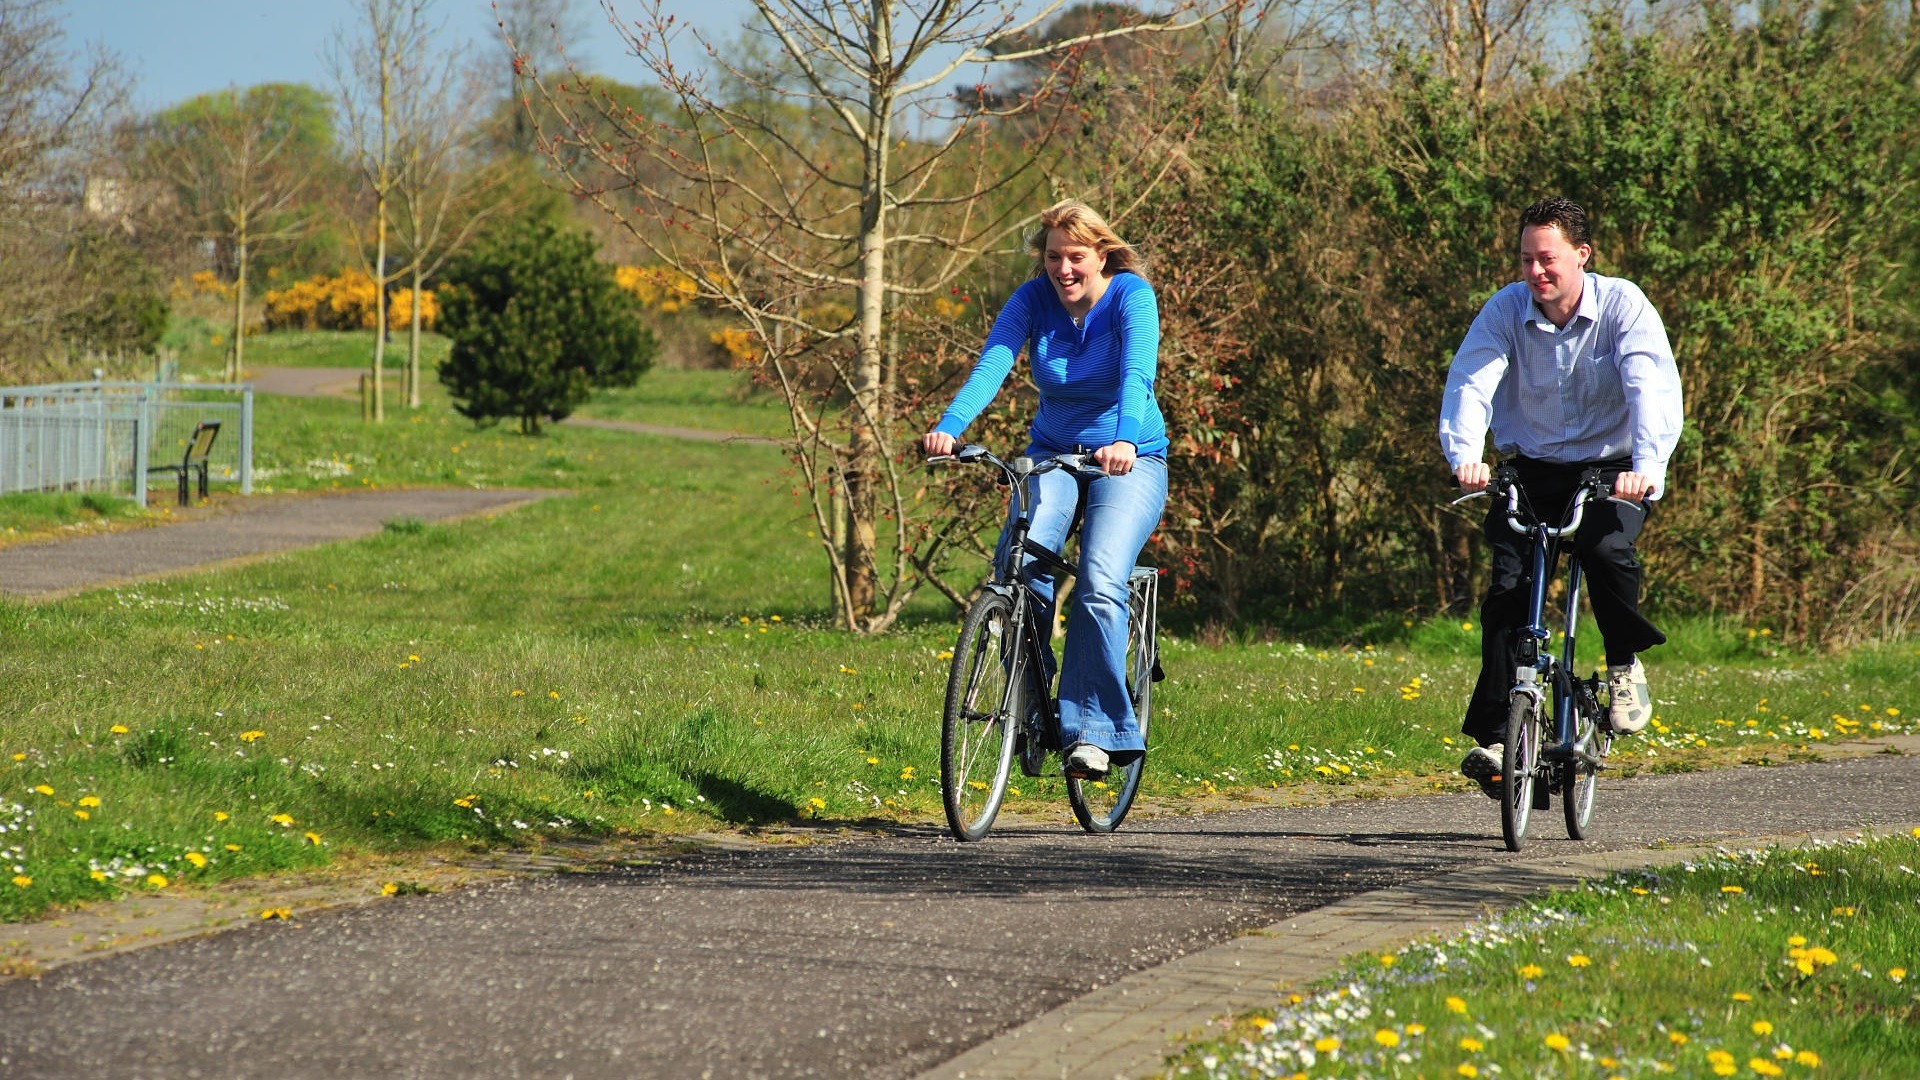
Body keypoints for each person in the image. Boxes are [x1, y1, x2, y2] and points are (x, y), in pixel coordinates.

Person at [1438, 196, 1684, 792]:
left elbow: (1650, 385)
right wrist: (1465, 456)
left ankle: (1623, 661)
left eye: (1546, 259)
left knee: (1606, 554)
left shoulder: (1624, 306)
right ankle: (1499, 738)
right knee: (1507, 586)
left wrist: (1647, 467)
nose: (1535, 273)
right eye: (1526, 260)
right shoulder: (1504, 311)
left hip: (1613, 468)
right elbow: (1472, 381)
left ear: (1582, 255)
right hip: (1532, 467)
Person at [921, 199, 1169, 780]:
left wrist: (1126, 440)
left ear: (1102, 255)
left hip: (1130, 461)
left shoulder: (1132, 296)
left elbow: (1138, 374)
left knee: (1098, 580)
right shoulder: (1032, 300)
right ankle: (1032, 703)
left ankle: (1096, 732)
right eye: (1054, 257)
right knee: (1017, 565)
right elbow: (993, 364)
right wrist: (950, 428)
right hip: (1051, 457)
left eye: (1076, 257)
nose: (1064, 270)